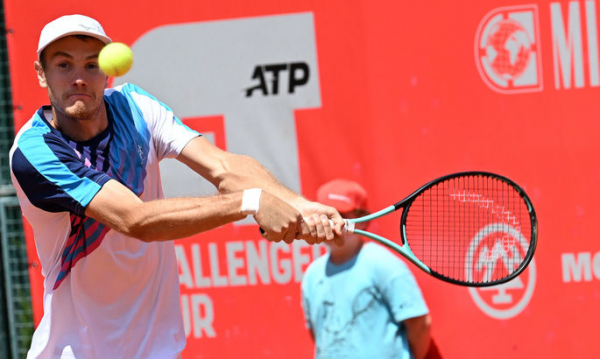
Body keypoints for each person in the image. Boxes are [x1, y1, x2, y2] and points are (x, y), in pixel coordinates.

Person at [9, 14, 344, 358]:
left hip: (158, 350)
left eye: (92, 65)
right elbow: (135, 220)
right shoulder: (35, 152)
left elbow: (224, 166)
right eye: (64, 65)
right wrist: (252, 202)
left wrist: (297, 203)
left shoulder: (136, 107)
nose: (79, 78)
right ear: (41, 73)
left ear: (108, 70)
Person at [301, 179, 432, 359]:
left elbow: (419, 324)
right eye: (325, 217)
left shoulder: (384, 264)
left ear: (362, 222)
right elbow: (318, 335)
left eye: (341, 216)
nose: (331, 225)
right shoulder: (311, 275)